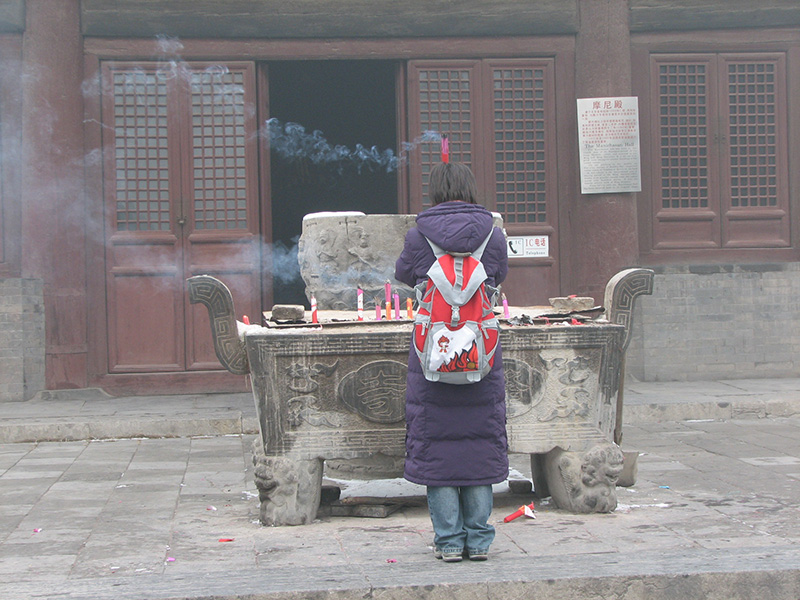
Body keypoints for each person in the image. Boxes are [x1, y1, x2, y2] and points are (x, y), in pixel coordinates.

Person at [395, 162, 509, 562]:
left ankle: (447, 542)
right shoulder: (493, 236)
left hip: (432, 357)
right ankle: (478, 541)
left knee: (437, 449)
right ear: (471, 188)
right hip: (480, 355)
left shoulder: (417, 236)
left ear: (436, 193)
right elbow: (497, 277)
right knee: (479, 447)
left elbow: (404, 275)